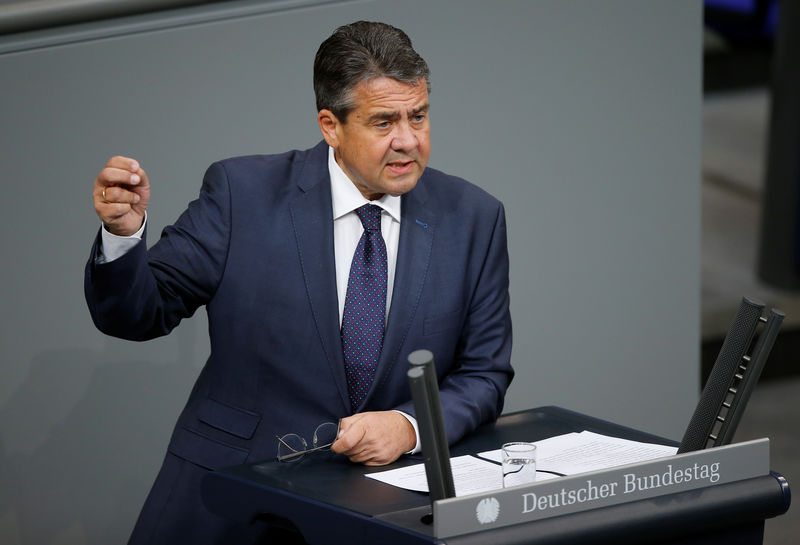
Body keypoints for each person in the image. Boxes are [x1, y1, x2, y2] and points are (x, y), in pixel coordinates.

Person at [85, 20, 513, 545]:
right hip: (233, 503)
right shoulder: (242, 193)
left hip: (385, 512)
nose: (408, 141)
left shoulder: (474, 217)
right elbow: (136, 315)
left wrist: (408, 426)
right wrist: (124, 237)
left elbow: (485, 374)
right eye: (383, 122)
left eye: (418, 116)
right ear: (330, 126)